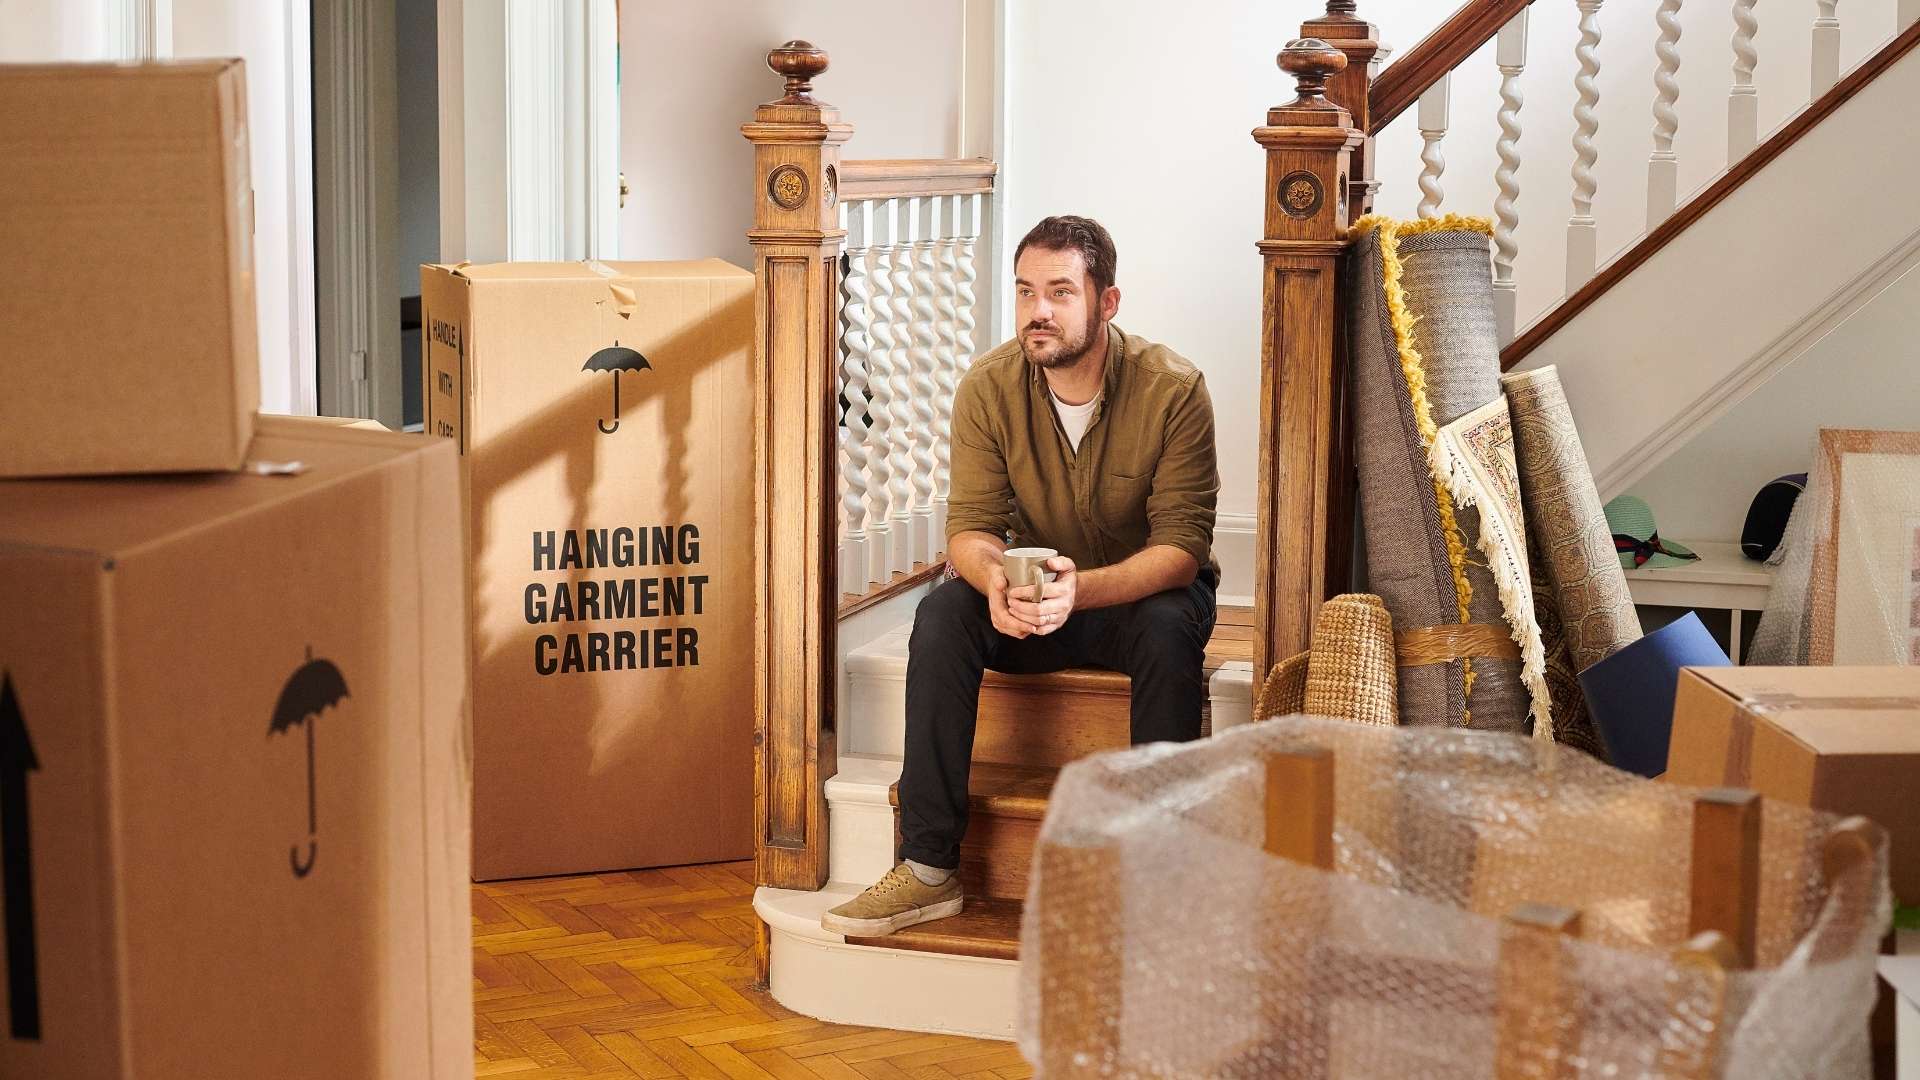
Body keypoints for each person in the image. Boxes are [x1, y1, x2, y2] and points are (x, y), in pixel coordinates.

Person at [821, 215, 1220, 937]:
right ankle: (927, 869)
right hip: (1032, 605)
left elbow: (1183, 548)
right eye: (1027, 291)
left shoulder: (1173, 389)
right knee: (942, 616)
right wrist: (994, 582)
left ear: (1108, 302)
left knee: (1170, 629)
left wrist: (1084, 591)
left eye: (1061, 292)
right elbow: (969, 527)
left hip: (1133, 598)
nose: (1038, 310)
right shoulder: (989, 387)